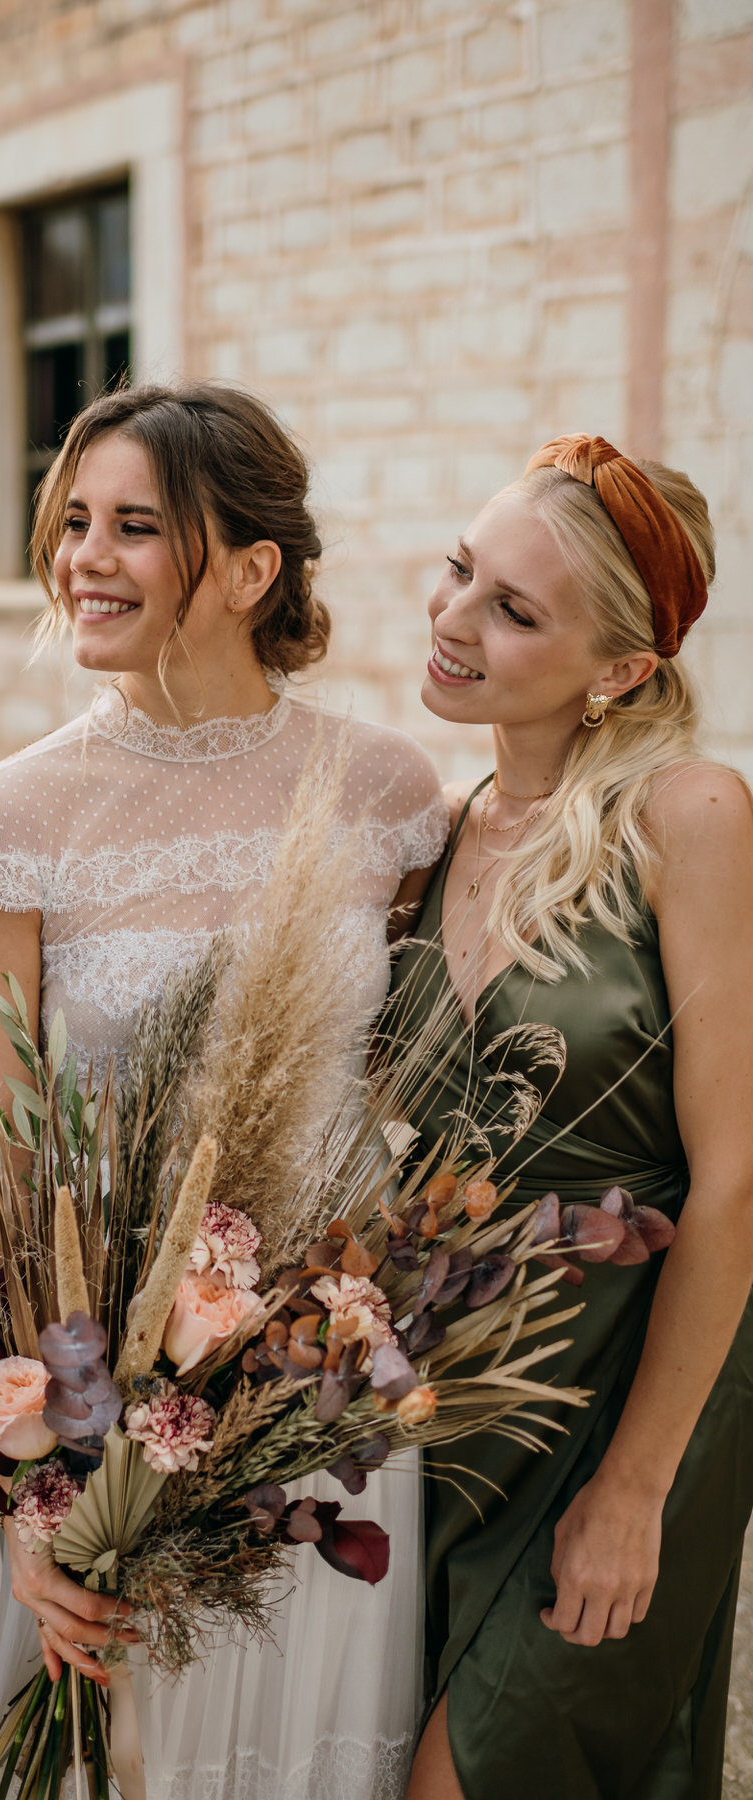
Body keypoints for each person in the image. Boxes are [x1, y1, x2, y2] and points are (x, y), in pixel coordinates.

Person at [0, 381, 450, 1800]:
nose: (83, 555)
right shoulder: (12, 819)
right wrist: (23, 1482)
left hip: (331, 1380)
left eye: (135, 527)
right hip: (100, 1397)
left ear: (249, 568)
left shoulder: (389, 793)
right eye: (75, 519)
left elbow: (413, 1080)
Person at [387, 435, 753, 1800]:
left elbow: (736, 1182)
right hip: (447, 1387)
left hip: (625, 1383)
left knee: (470, 1773)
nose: (453, 619)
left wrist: (642, 1485)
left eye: (513, 609)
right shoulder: (431, 831)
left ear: (623, 672)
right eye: (461, 572)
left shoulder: (691, 816)